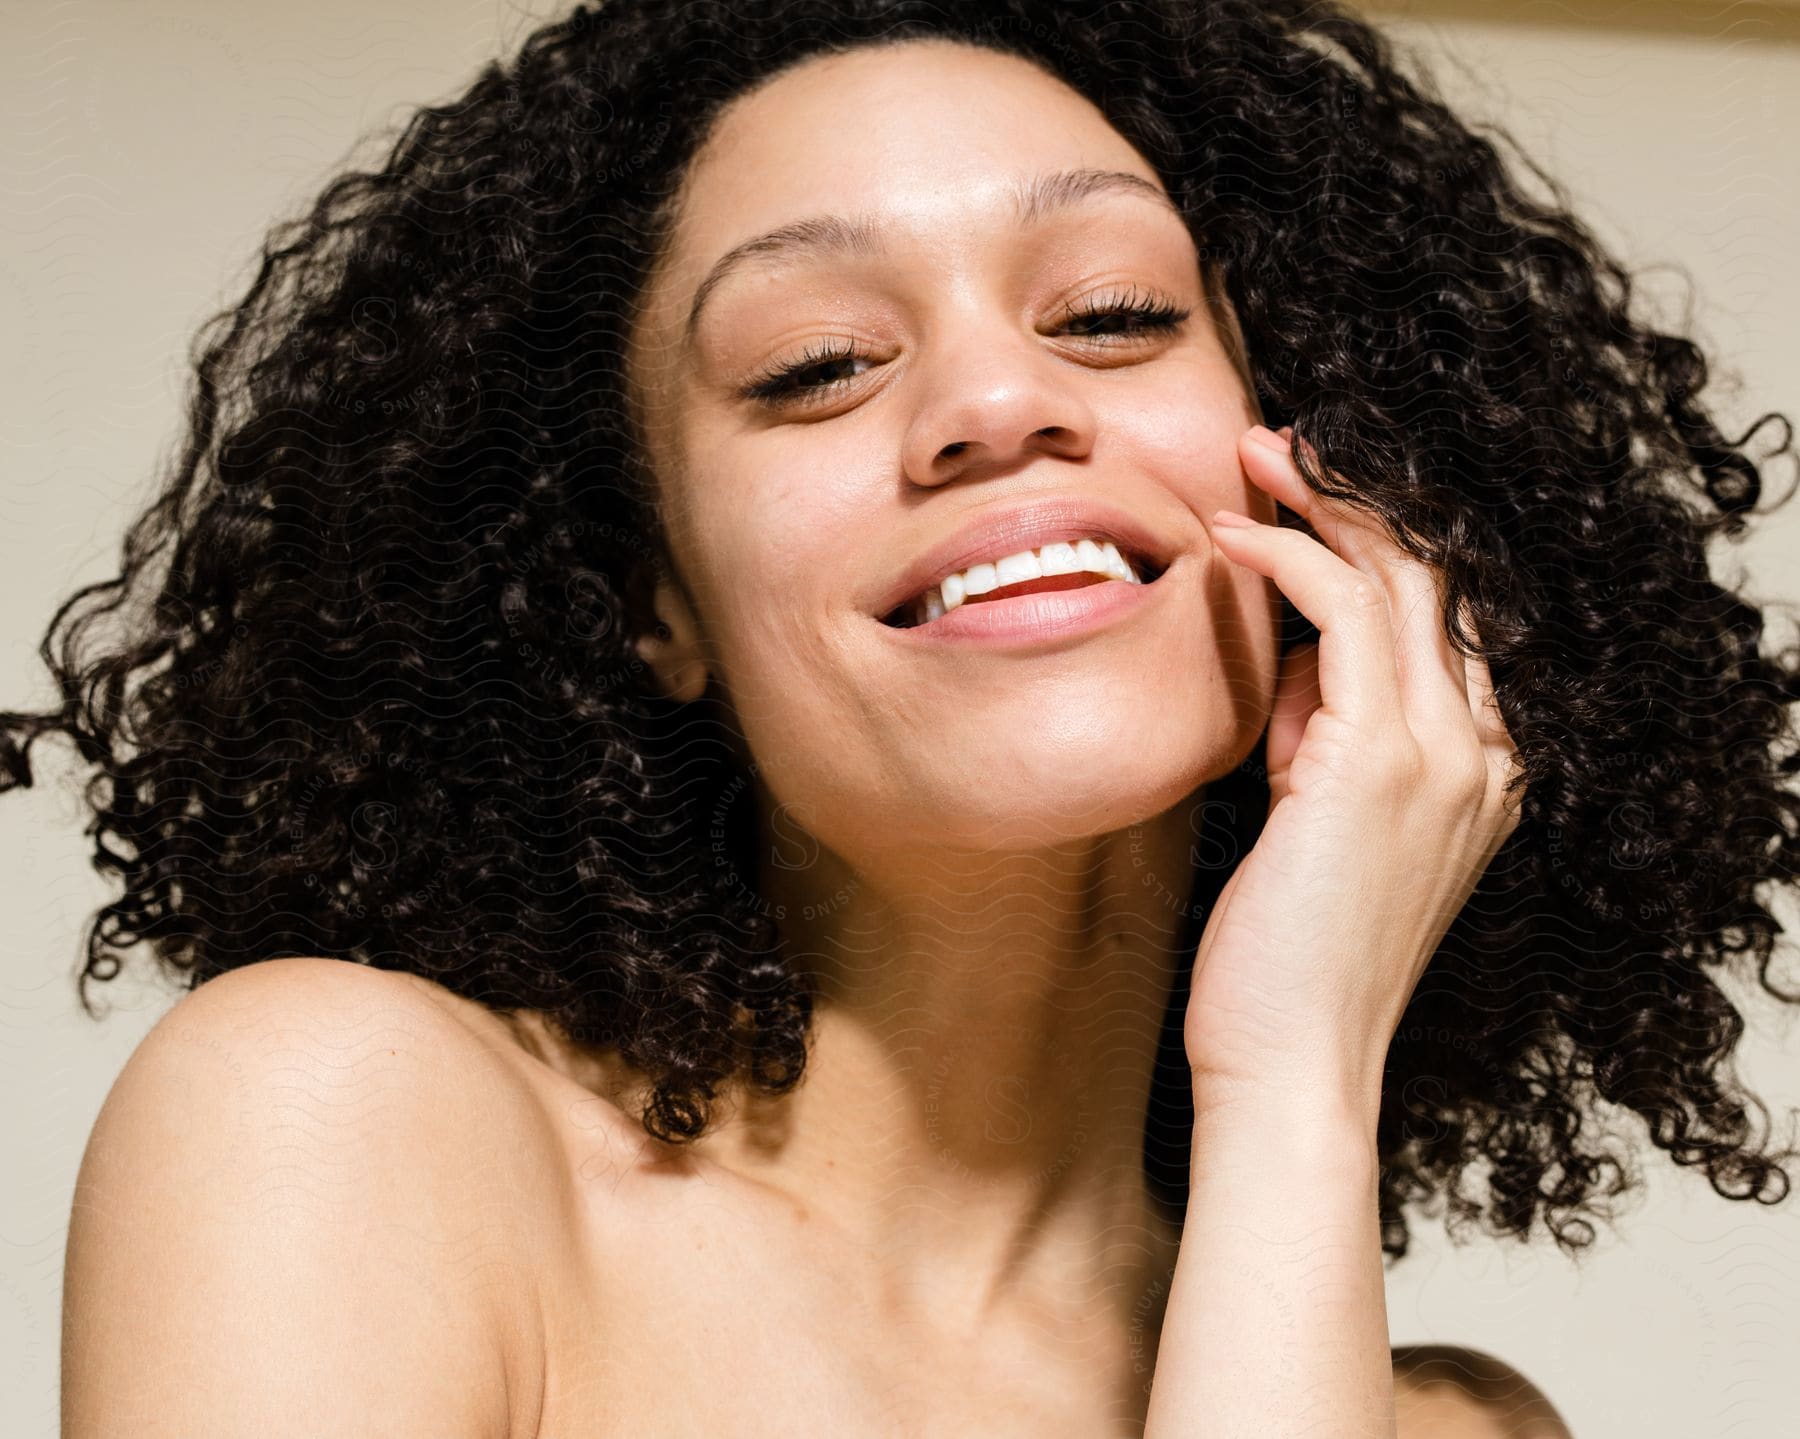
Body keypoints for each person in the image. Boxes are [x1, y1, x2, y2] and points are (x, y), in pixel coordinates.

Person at [13, 1, 1797, 1434]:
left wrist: (1297, 1084)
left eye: (1112, 314)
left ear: (1349, 470)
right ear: (650, 606)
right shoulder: (351, 1131)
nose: (996, 400)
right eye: (813, 367)